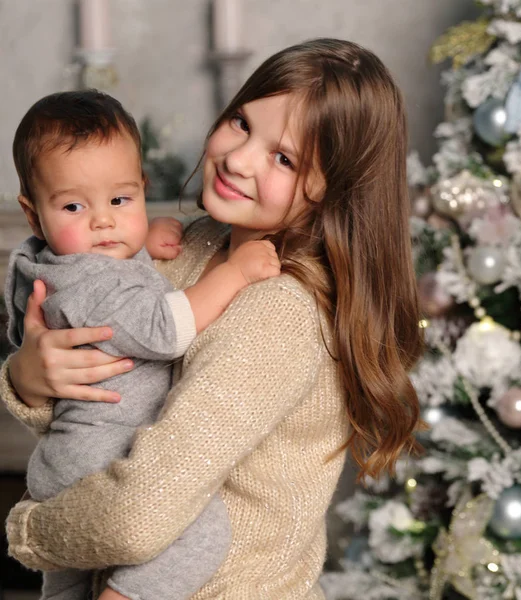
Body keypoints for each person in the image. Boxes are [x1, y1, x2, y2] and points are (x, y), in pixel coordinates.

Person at [3, 38, 424, 599]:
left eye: (284, 158)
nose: (239, 158)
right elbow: (107, 411)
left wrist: (28, 532)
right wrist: (28, 380)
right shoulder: (199, 244)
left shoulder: (280, 311)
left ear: (331, 189)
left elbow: (137, 517)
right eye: (242, 123)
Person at [4, 90, 280, 600]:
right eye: (72, 205)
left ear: (141, 188)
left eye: (119, 200)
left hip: (66, 456)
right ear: (33, 213)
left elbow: (115, 292)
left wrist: (143, 247)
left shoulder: (59, 265)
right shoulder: (87, 282)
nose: (103, 221)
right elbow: (160, 327)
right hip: (101, 451)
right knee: (200, 534)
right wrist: (234, 275)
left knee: (66, 583)